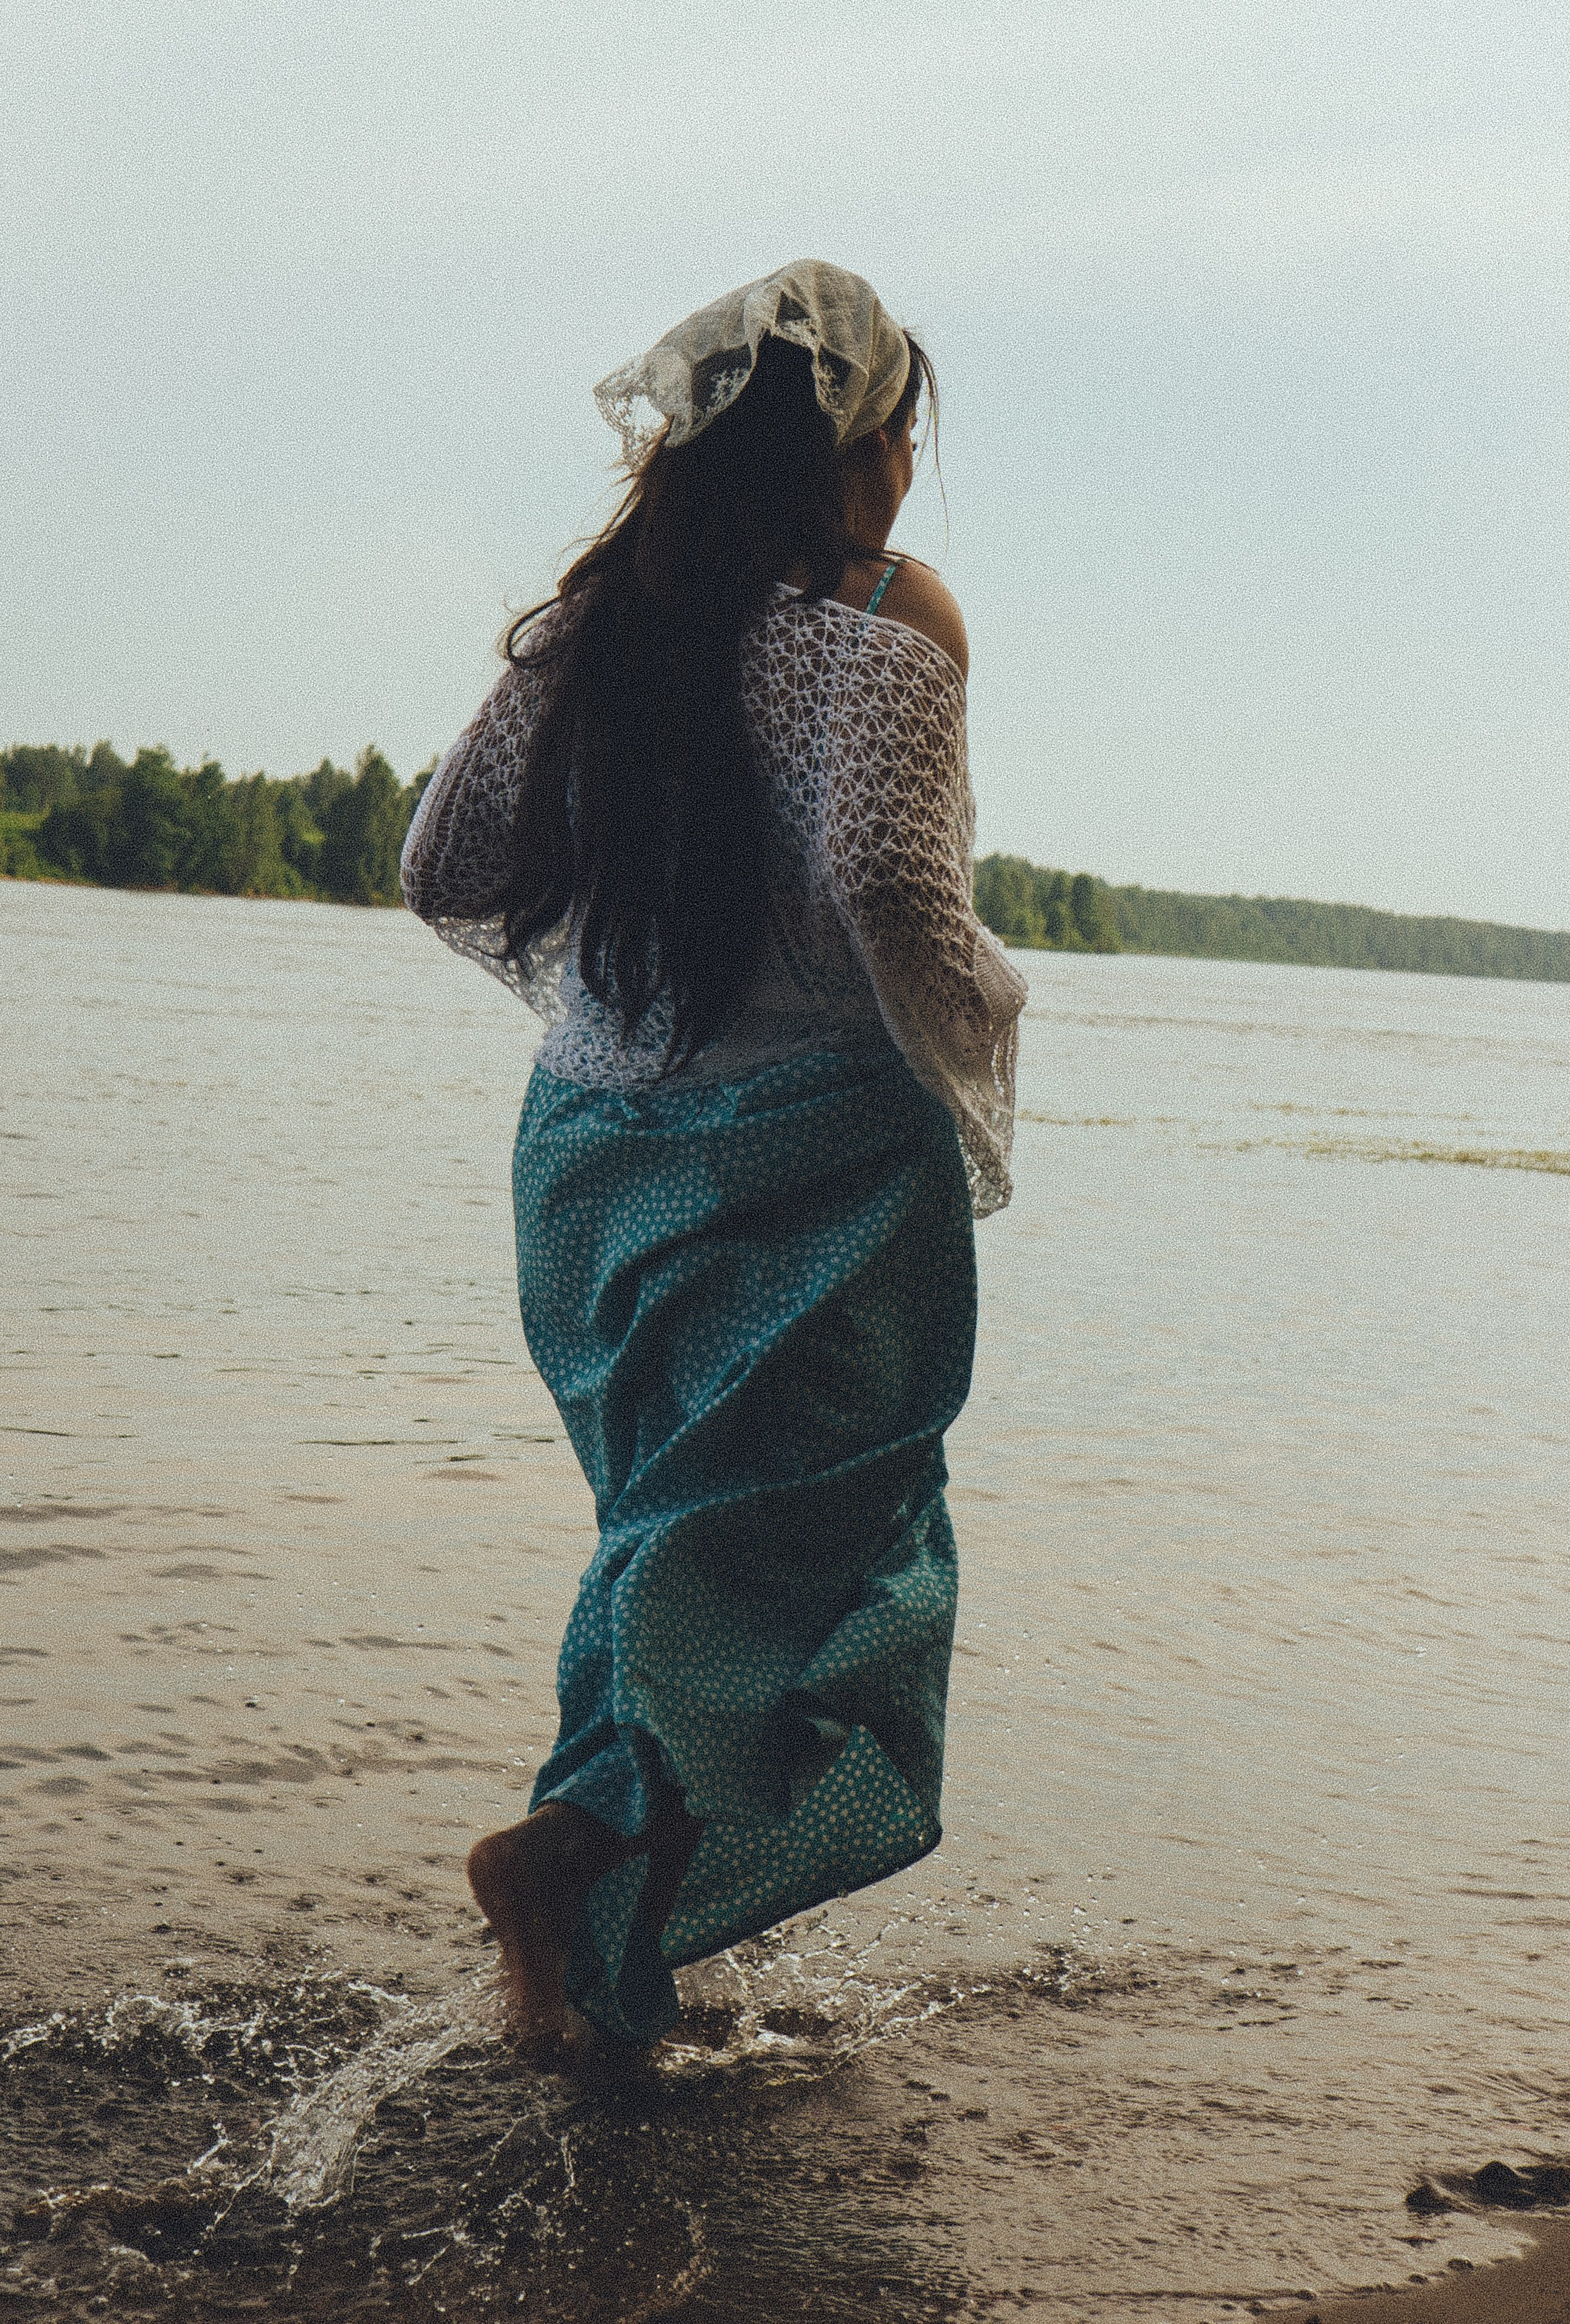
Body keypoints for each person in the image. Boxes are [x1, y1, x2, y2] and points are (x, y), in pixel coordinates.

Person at [400, 258, 1026, 2064]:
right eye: (901, 433)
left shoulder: (602, 624)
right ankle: (579, 1854)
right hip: (807, 1175)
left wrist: (615, 983)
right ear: (863, 442)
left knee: (669, 1541)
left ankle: (596, 1979)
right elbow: (899, 899)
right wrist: (981, 1018)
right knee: (814, 1554)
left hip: (592, 1166)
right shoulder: (887, 613)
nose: (905, 469)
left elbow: (446, 862)